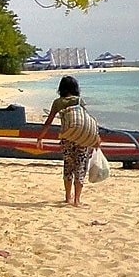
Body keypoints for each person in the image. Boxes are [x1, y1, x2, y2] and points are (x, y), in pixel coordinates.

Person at [36, 75, 96, 207]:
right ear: (75, 87)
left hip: (66, 138)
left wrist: (40, 137)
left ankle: (68, 197)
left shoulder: (58, 102)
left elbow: (49, 121)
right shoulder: (79, 100)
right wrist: (93, 139)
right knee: (80, 167)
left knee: (68, 167)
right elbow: (85, 120)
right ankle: (77, 200)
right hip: (81, 139)